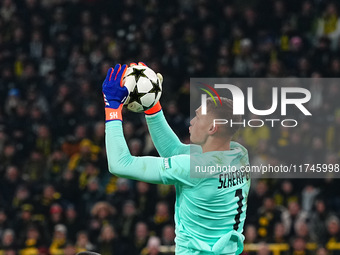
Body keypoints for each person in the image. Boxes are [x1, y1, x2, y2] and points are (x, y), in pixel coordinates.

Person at [103, 63, 251, 255]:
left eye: (198, 118)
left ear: (212, 128)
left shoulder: (194, 168)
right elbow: (174, 150)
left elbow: (120, 164)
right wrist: (152, 105)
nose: (192, 122)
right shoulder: (238, 154)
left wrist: (112, 109)